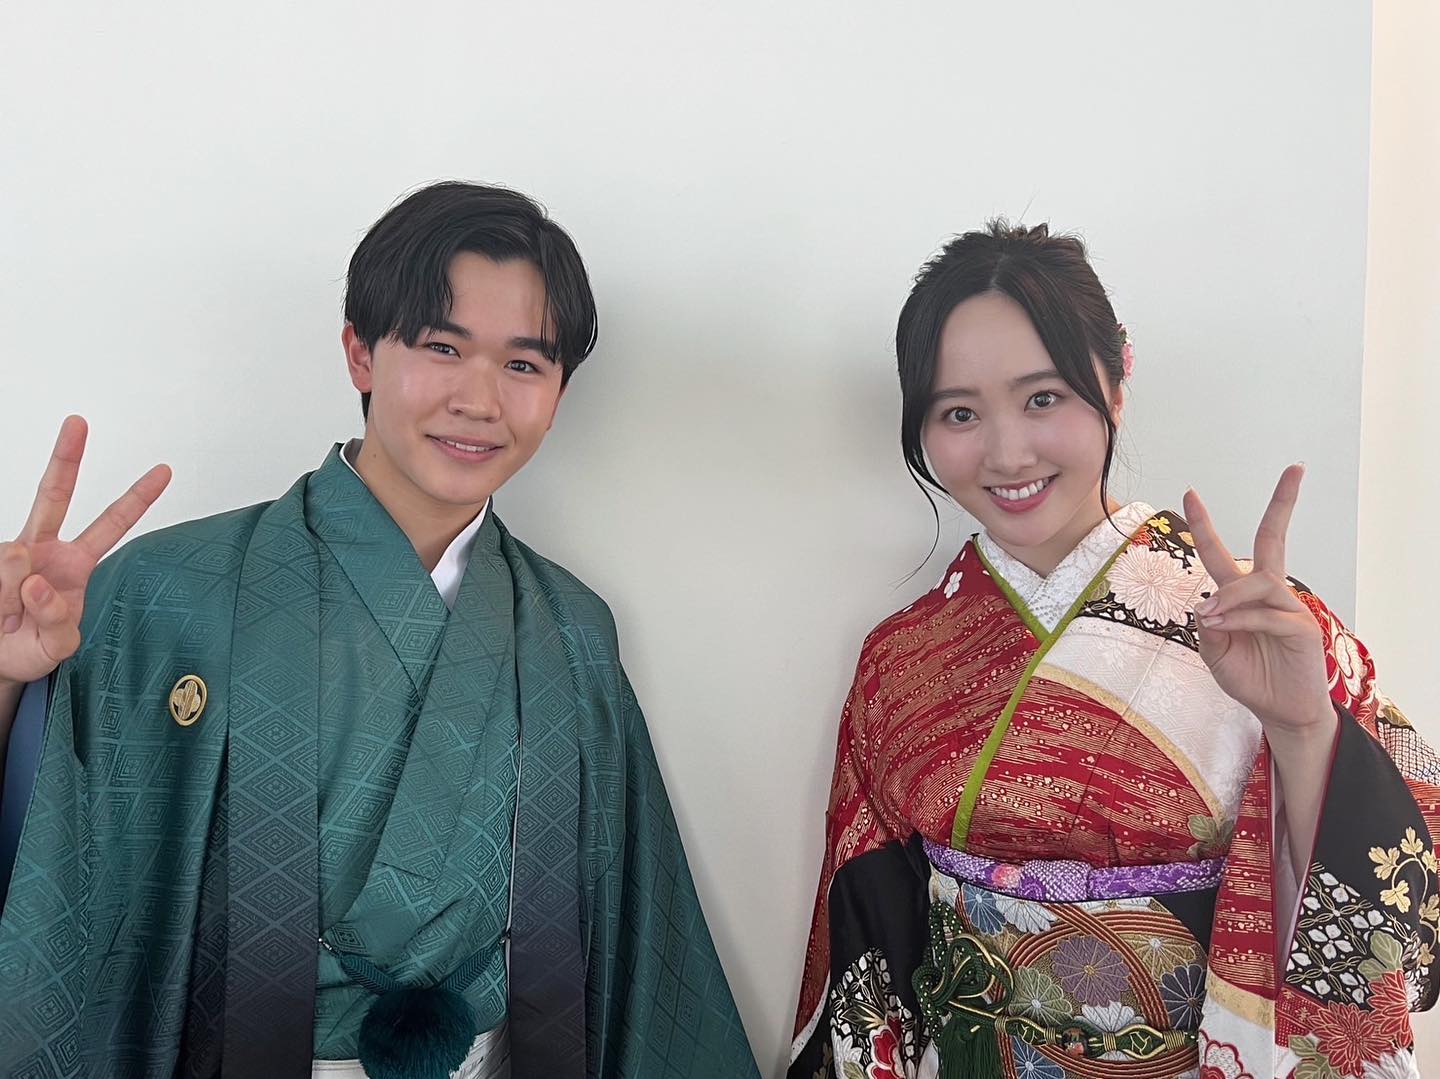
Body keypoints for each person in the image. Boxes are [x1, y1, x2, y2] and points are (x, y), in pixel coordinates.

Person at [0, 181, 759, 1079]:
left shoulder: (572, 630)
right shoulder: (168, 591)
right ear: (360, 351)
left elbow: (637, 932)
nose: (480, 399)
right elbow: (46, 855)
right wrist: (5, 678)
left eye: (523, 365)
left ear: (560, 390)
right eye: (443, 347)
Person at [788, 222, 1440, 1079]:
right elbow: (871, 938)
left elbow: (1410, 918)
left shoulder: (1261, 623)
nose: (1007, 452)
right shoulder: (901, 660)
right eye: (959, 413)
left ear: (1116, 385)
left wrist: (1306, 728)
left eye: (1043, 398)